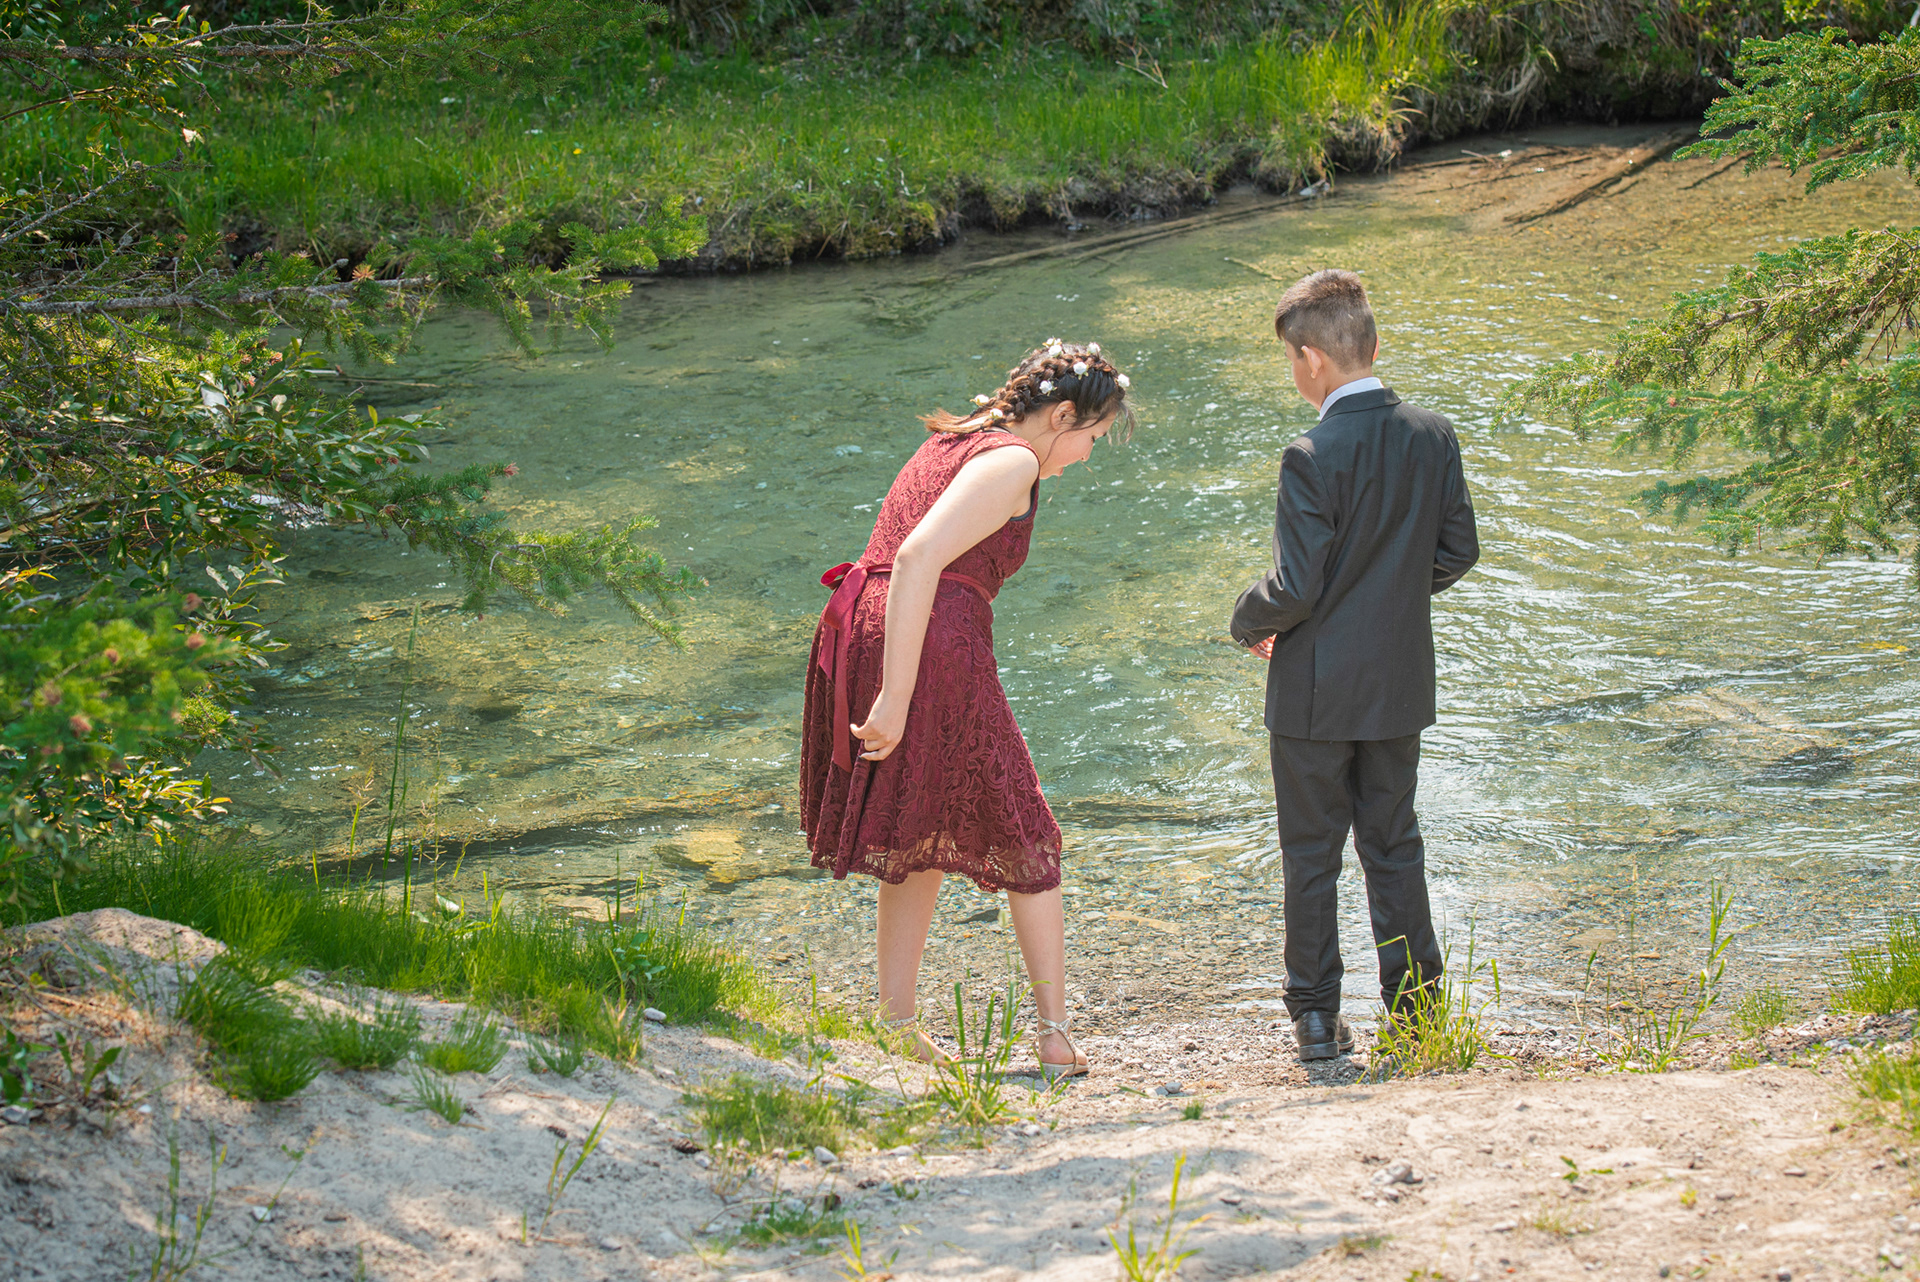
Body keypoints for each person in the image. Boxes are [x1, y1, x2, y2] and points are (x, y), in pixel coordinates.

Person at [800, 339, 1133, 1080]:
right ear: (1062, 415)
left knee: (920, 828)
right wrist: (894, 693)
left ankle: (896, 1025)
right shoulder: (1012, 459)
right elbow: (919, 557)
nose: (1083, 457)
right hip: (927, 641)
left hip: (869, 623)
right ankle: (1052, 1038)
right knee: (1028, 832)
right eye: (1090, 439)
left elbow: (899, 556)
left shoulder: (953, 438)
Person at [1228, 270, 1479, 1062]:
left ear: (1312, 360)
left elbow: (1296, 587)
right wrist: (1393, 597)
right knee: (1393, 844)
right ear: (1372, 344)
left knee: (1311, 855)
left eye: (1291, 362)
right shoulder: (1433, 435)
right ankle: (1417, 1012)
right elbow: (1457, 551)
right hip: (1399, 683)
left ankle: (1314, 1018)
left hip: (1313, 692)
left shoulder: (1311, 452)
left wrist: (1247, 619)